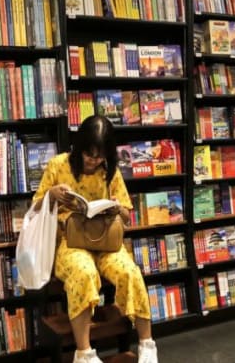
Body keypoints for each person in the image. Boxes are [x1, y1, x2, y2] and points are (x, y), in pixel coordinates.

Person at [32, 115, 158, 363]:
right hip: (71, 241)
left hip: (105, 239)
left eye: (99, 156)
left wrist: (116, 209)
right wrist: (52, 195)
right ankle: (84, 352)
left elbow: (127, 215)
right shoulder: (58, 165)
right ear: (78, 147)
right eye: (88, 154)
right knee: (83, 272)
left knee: (130, 272)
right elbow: (34, 209)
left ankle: (147, 344)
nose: (93, 161)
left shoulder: (109, 171)